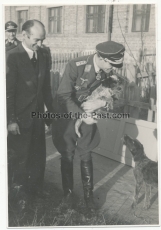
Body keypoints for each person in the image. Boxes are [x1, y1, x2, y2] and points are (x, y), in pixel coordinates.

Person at [52, 41, 125, 212]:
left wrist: (101, 102)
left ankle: (88, 198)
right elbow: (63, 96)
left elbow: (115, 95)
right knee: (67, 153)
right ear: (99, 57)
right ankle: (68, 196)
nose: (111, 69)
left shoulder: (107, 70)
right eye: (110, 64)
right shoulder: (75, 66)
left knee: (86, 151)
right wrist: (83, 114)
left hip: (88, 114)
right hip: (67, 114)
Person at [6, 20, 53, 210]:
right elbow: (7, 92)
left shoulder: (43, 54)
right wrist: (10, 120)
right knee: (20, 157)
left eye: (42, 40)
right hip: (19, 117)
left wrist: (51, 114)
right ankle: (19, 194)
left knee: (38, 153)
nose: (40, 44)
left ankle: (36, 188)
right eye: (36, 40)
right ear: (24, 35)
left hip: (38, 115)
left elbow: (46, 88)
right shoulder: (12, 56)